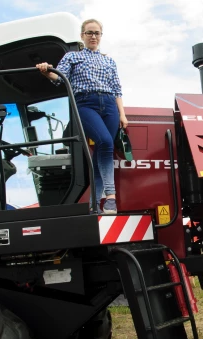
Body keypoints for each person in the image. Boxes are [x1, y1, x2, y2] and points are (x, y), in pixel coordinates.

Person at [36, 18, 127, 214]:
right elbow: (59, 78)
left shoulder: (109, 61)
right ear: (82, 36)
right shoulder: (72, 56)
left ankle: (94, 205)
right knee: (104, 141)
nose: (93, 36)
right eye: (89, 33)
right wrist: (46, 71)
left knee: (100, 154)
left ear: (101, 36)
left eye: (97, 33)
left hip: (110, 105)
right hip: (86, 103)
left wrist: (122, 114)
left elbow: (117, 89)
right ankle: (110, 196)